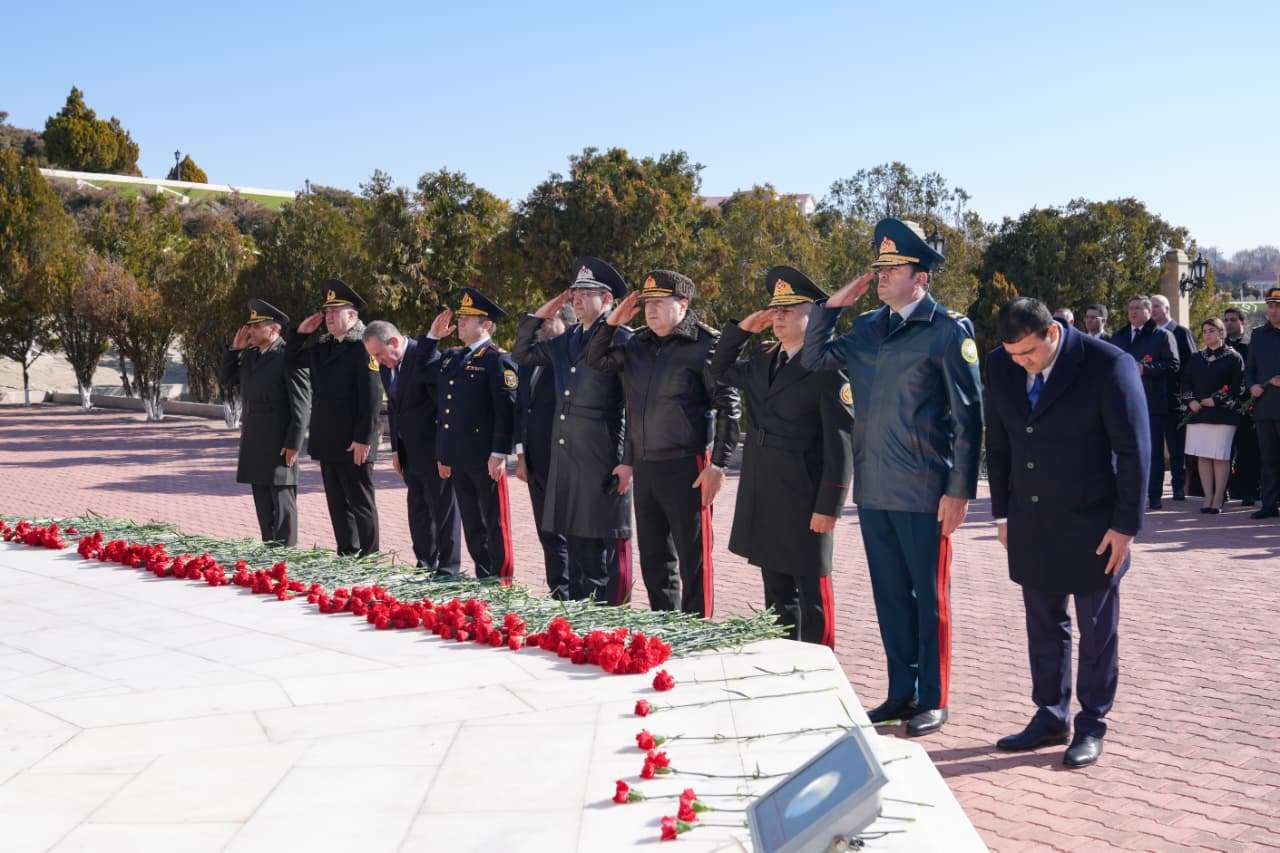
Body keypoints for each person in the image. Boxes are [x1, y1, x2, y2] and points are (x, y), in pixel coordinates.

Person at [801, 218, 983, 737]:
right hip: (875, 488)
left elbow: (969, 416)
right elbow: (814, 357)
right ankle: (901, 691)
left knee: (929, 597)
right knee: (890, 597)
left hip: (924, 490)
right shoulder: (865, 328)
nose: (880, 275)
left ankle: (934, 697)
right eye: (878, 267)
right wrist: (832, 307)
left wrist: (959, 490)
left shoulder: (948, 330)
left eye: (892, 268)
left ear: (920, 276)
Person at [986, 298, 1148, 769]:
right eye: (1014, 355)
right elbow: (999, 442)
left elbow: (1134, 451)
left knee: (1097, 631)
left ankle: (1091, 722)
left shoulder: (1107, 364)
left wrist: (1125, 526)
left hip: (1094, 524)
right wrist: (1002, 515)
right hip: (1031, 520)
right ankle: (1050, 715)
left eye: (1029, 353)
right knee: (1044, 624)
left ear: (1052, 333)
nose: (1022, 363)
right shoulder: (1000, 364)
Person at [708, 266, 853, 647]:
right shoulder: (764, 359)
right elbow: (717, 370)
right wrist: (742, 330)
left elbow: (840, 442)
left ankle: (820, 667)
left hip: (805, 497)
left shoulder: (828, 367)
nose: (779, 316)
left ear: (814, 316)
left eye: (789, 309)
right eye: (776, 309)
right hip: (766, 491)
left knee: (812, 596)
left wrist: (830, 505)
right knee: (777, 595)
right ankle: (783, 660)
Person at [586, 269, 741, 617]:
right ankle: (665, 626)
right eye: (647, 304)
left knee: (693, 559)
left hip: (687, 466)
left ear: (683, 304)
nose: (651, 310)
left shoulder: (706, 345)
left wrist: (718, 465)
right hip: (646, 466)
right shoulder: (637, 345)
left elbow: (729, 408)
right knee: (655, 559)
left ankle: (696, 631)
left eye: (660, 302)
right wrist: (612, 322)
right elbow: (594, 359)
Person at [513, 257, 634, 605]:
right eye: (575, 293)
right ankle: (580, 613)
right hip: (567, 453)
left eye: (587, 292)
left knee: (602, 547)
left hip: (601, 452)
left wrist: (627, 461)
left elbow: (632, 405)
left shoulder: (622, 338)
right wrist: (548, 309)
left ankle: (606, 616)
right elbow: (522, 352)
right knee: (577, 545)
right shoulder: (567, 339)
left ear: (607, 300)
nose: (578, 298)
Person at [419, 290, 518, 580]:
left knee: (495, 521)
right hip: (459, 456)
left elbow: (506, 411)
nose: (460, 322)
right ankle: (483, 575)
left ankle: (501, 580)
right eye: (461, 317)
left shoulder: (497, 359)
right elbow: (423, 371)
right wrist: (432, 338)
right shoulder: (453, 357)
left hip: (486, 457)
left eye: (468, 318)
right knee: (473, 523)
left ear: (486, 325)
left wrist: (499, 453)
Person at [287, 280, 383, 556]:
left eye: (334, 312)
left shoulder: (364, 346)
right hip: (328, 438)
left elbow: (373, 397)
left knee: (360, 501)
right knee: (337, 503)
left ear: (352, 315)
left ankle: (369, 557)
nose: (328, 317)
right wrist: (300, 333)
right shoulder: (323, 346)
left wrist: (364, 438)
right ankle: (347, 552)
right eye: (326, 312)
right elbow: (291, 361)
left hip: (355, 440)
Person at [362, 320, 461, 573]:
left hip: (434, 450)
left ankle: (448, 567)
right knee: (418, 509)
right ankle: (424, 562)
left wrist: (445, 452)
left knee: (443, 509)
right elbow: (395, 409)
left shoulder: (425, 356)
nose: (378, 361)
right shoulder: (387, 366)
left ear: (394, 342)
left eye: (379, 354)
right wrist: (396, 449)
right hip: (408, 452)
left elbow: (444, 408)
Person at [220, 299, 311, 546]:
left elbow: (302, 404)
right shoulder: (251, 356)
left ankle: (285, 554)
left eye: (256, 326)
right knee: (262, 503)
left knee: (282, 504)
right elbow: (227, 380)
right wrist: (234, 351)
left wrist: (294, 443)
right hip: (254, 440)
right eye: (250, 326)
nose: (250, 330)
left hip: (279, 442)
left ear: (273, 329)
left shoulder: (288, 356)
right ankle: (269, 550)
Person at [513, 302, 572, 598]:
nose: (540, 327)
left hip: (563, 459)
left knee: (566, 530)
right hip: (535, 460)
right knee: (546, 529)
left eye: (546, 321)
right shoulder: (529, 362)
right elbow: (520, 411)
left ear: (567, 324)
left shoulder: (569, 359)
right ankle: (556, 589)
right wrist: (521, 456)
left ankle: (571, 591)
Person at [1107, 297, 1179, 509]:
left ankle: (1154, 495)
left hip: (1151, 402)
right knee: (1123, 449)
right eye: (1131, 308)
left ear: (1149, 312)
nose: (1133, 312)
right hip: (1121, 402)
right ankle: (1125, 493)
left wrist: (1146, 369)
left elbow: (1173, 364)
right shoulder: (1119, 336)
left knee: (1152, 451)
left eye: (1138, 308)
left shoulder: (1162, 336)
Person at [1184, 318, 1245, 514]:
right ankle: (1207, 497)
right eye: (1204, 331)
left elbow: (1238, 387)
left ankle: (1218, 497)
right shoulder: (1196, 358)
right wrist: (1190, 401)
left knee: (1220, 456)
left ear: (1221, 332)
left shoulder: (1233, 357)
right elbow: (1185, 383)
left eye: (1211, 330)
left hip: (1223, 414)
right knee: (1203, 456)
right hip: (1199, 413)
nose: (1207, 334)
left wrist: (1216, 400)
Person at [1150, 294, 1196, 501]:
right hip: (1154, 399)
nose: (1153, 310)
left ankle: (1178, 488)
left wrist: (1185, 395)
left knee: (1177, 448)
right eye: (1150, 307)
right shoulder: (1151, 335)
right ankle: (1155, 490)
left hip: (1175, 400)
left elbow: (1191, 366)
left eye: (1156, 306)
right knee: (1155, 450)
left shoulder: (1181, 332)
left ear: (1167, 309)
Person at [1244, 287, 1280, 520]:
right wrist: (1252, 386)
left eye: (1277, 306)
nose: (1273, 310)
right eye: (1271, 306)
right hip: (1265, 407)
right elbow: (1250, 369)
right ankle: (1269, 505)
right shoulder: (1258, 335)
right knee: (1268, 459)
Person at [1224, 307, 1259, 506]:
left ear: (1242, 322)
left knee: (1248, 452)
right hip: (1224, 407)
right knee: (1224, 452)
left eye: (1233, 320)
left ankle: (1249, 492)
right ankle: (1224, 491)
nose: (1228, 323)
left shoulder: (1251, 345)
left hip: (1247, 407)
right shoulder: (1220, 346)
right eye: (1226, 320)